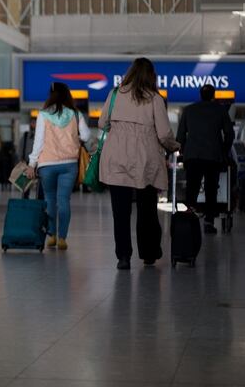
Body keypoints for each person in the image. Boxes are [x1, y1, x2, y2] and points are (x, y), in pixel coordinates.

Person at [99, 58, 180, 270]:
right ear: (151, 76)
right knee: (147, 209)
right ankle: (149, 253)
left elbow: (102, 122)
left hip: (116, 157)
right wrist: (174, 146)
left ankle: (123, 257)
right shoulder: (155, 99)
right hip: (146, 160)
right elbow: (164, 133)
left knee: (120, 211)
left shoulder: (114, 94)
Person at [25, 83, 91, 250]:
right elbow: (86, 135)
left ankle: (52, 236)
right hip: (69, 164)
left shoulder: (43, 115)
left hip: (47, 165)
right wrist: (74, 139)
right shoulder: (76, 114)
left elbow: (38, 142)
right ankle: (62, 238)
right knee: (64, 200)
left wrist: (32, 163)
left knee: (49, 199)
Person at [176, 84, 234, 234]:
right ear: (213, 95)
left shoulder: (189, 110)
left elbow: (180, 135)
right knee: (211, 190)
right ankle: (209, 222)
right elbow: (229, 134)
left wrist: (183, 151)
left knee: (192, 189)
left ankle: (189, 220)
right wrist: (224, 150)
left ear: (200, 95)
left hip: (193, 156)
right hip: (213, 156)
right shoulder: (220, 110)